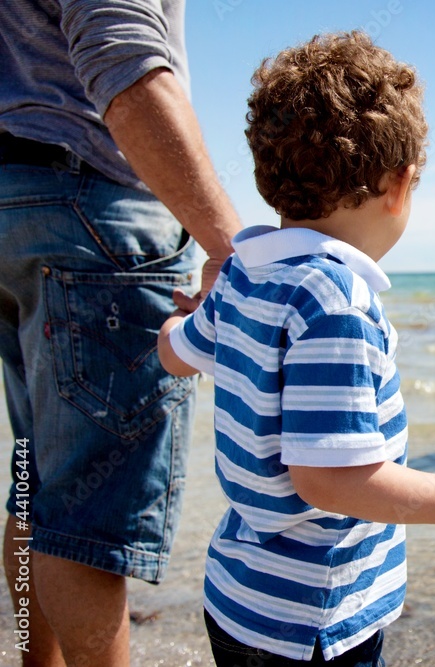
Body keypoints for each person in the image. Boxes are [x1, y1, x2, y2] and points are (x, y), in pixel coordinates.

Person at [157, 31, 435, 666]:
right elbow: (328, 480)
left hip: (237, 599)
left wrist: (181, 322)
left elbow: (176, 355)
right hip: (314, 622)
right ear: (399, 184)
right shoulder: (334, 299)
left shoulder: (246, 274)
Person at [1, 1, 243, 666]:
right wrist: (229, 246)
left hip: (16, 204)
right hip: (90, 208)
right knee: (86, 522)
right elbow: (122, 55)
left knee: (36, 478)